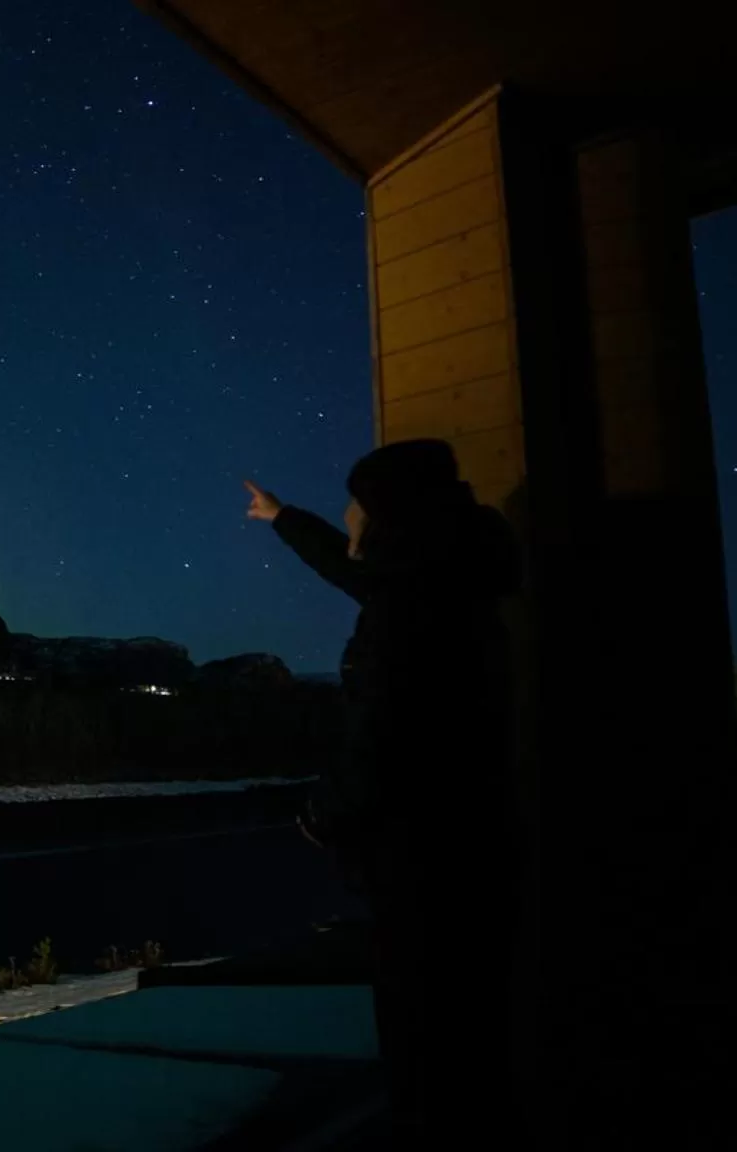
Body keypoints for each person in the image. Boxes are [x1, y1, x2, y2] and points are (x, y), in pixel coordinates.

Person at [244, 438, 521, 1147]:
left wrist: (325, 815)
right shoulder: (447, 574)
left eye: (357, 506)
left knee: (424, 1010)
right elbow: (351, 568)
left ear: (390, 516)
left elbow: (383, 731)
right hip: (475, 827)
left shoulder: (410, 610)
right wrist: (284, 517)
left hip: (424, 844)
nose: (349, 516)